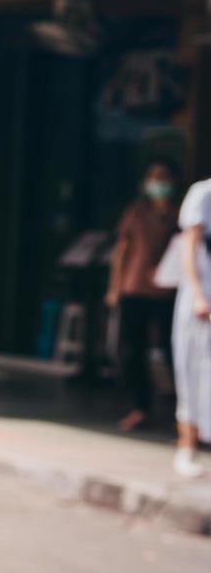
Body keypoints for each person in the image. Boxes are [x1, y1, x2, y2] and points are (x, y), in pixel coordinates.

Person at [105, 159, 179, 432]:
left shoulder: (178, 214)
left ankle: (181, 410)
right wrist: (114, 288)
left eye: (163, 177)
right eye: (153, 177)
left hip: (168, 291)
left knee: (173, 352)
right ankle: (140, 407)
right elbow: (121, 251)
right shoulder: (136, 212)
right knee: (131, 351)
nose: (158, 183)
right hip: (133, 288)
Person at [171, 176, 211, 478]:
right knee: (192, 372)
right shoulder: (203, 193)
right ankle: (187, 447)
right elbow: (189, 248)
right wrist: (198, 295)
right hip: (201, 302)